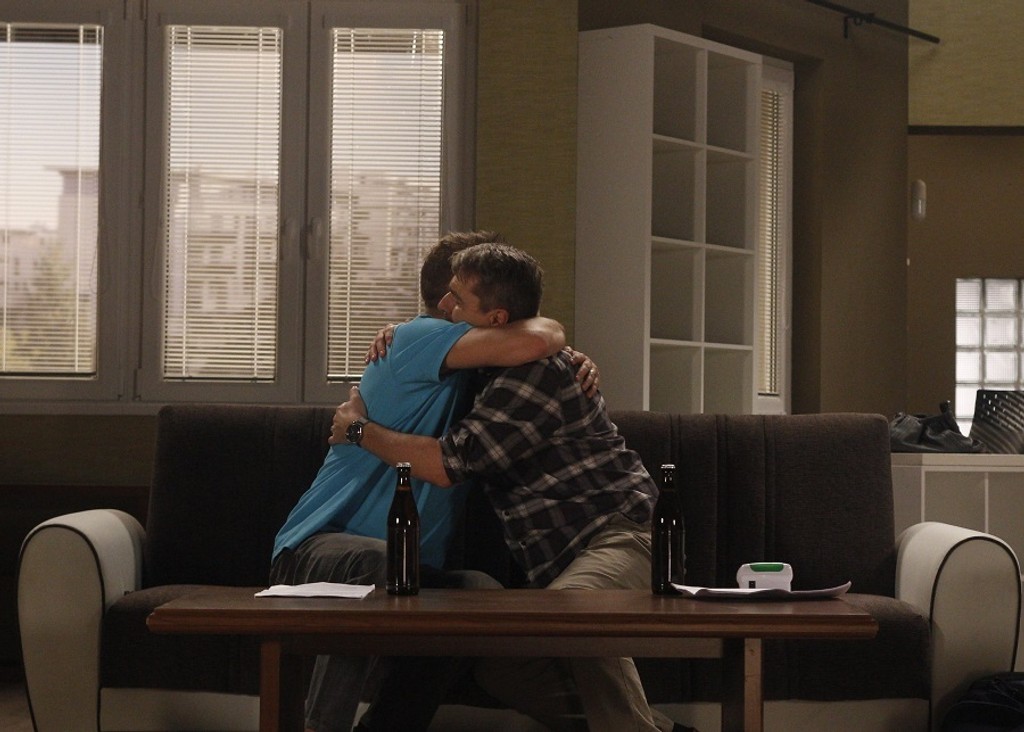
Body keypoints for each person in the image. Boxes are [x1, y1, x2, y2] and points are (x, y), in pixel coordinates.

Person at [330, 243, 681, 732]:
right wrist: (401, 336)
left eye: (456, 299)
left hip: (623, 535)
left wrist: (357, 429)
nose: (444, 306)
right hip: (564, 561)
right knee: (502, 667)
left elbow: (447, 465)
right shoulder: (485, 368)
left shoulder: (535, 375)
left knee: (575, 610)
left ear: (496, 319)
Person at [270, 231, 599, 732]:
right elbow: (537, 337)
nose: (451, 304)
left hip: (411, 571)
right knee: (379, 561)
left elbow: (534, 346)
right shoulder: (414, 339)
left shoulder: (479, 366)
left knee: (479, 593)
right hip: (315, 550)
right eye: (455, 293)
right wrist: (554, 333)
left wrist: (573, 357)